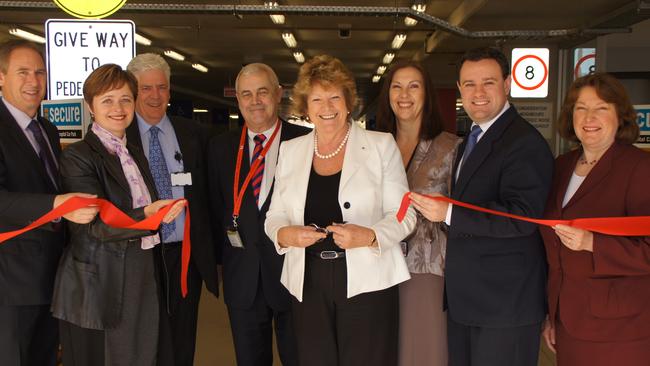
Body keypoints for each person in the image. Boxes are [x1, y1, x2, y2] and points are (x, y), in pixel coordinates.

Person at [264, 54, 416, 366]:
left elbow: (404, 214)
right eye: (317, 99)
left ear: (349, 102)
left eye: (335, 97)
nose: (327, 107)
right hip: (308, 280)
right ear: (306, 108)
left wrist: (371, 236)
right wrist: (284, 233)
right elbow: (274, 215)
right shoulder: (291, 152)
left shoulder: (380, 145)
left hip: (368, 282)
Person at [411, 47, 553, 366]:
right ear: (460, 89)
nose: (478, 93)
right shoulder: (473, 138)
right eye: (469, 84)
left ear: (507, 84)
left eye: (488, 82)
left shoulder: (524, 142)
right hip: (469, 301)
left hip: (505, 304)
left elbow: (523, 217)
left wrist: (447, 213)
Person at [50, 64, 185, 366]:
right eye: (107, 100)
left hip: (142, 268)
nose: (118, 108)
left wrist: (157, 213)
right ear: (90, 106)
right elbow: (94, 226)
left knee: (143, 353)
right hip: (100, 280)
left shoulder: (134, 152)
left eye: (125, 99)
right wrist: (149, 216)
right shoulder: (78, 156)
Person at [0, 39, 99, 366]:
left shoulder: (47, 129)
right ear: (1, 77)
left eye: (39, 73)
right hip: (12, 284)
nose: (33, 81)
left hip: (51, 277)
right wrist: (58, 202)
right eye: (23, 72)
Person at [540, 73, 650, 366]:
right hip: (567, 320)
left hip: (620, 328)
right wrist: (552, 314)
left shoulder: (639, 169)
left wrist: (593, 243)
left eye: (601, 107)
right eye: (580, 107)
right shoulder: (561, 166)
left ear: (620, 116)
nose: (589, 117)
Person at [207, 63, 308, 366]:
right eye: (246, 94)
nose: (255, 101)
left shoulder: (305, 143)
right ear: (237, 100)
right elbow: (215, 210)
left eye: (262, 92)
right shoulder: (220, 148)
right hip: (243, 279)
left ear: (279, 95)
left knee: (300, 358)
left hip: (295, 278)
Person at [126, 53, 218, 366]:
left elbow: (207, 194)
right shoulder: (121, 138)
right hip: (140, 255)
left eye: (161, 88)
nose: (155, 96)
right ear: (133, 91)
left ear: (169, 90)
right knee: (144, 339)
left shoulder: (195, 134)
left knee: (182, 340)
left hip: (185, 257)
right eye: (146, 88)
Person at [376, 60, 459, 366]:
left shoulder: (452, 147)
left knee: (422, 351)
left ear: (427, 94)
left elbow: (460, 216)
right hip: (378, 265)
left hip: (426, 269)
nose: (404, 94)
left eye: (414, 86)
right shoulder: (374, 145)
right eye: (396, 86)